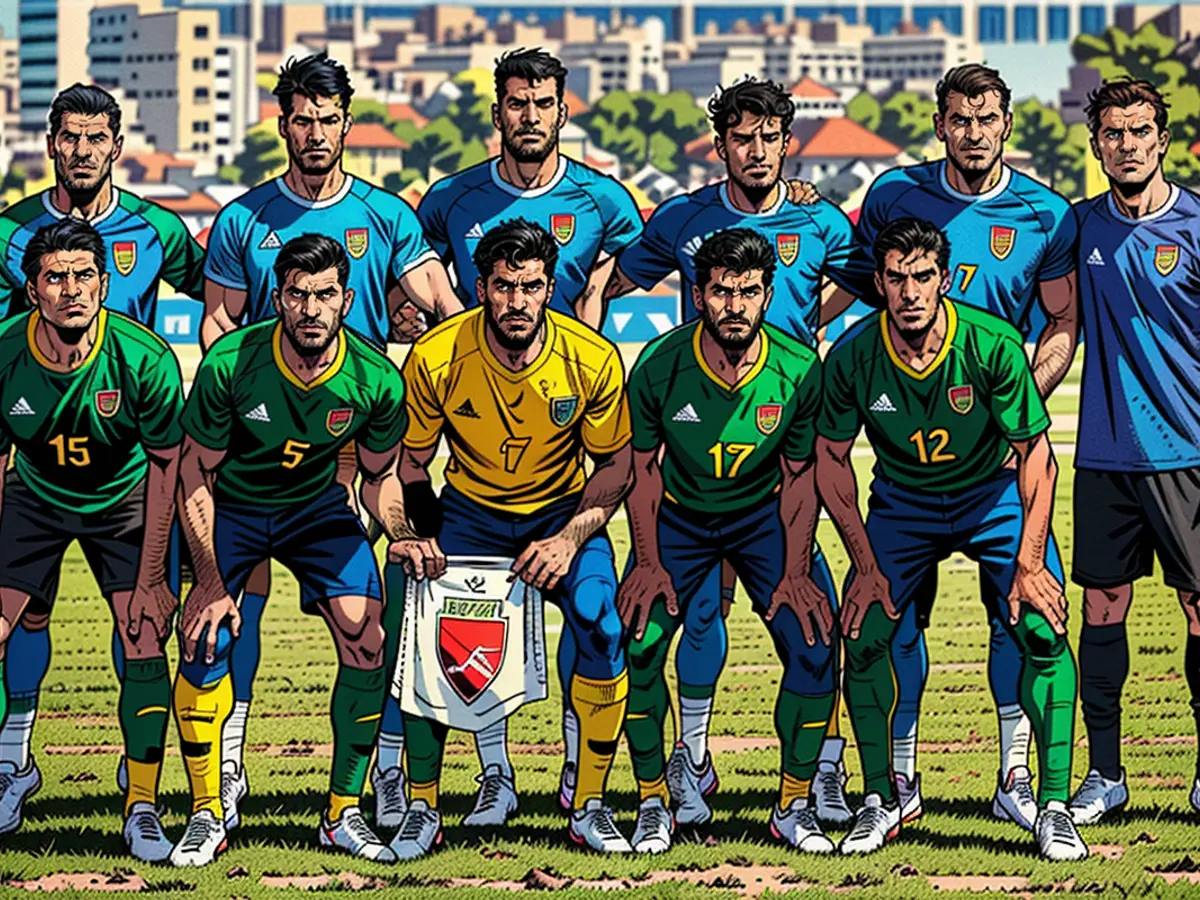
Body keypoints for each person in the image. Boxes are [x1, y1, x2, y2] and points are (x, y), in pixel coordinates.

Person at [197, 51, 461, 831]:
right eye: (301, 119)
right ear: (283, 124)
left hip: (364, 436)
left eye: (328, 119)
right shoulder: (245, 219)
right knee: (233, 599)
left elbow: (442, 308)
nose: (315, 133)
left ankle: (378, 771)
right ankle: (230, 760)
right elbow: (219, 324)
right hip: (263, 438)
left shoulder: (385, 216)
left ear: (348, 124)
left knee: (378, 612)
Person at [598, 76, 857, 827]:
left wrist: (807, 323)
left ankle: (816, 779)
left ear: (787, 143)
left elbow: (868, 282)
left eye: (769, 137)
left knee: (815, 622)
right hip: (688, 453)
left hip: (776, 445)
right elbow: (615, 280)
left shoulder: (822, 221)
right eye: (741, 137)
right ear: (721, 145)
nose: (755, 150)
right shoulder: (683, 219)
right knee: (682, 621)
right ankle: (679, 772)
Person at [398, 47, 641, 827]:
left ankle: (587, 795)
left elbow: (617, 465)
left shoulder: (593, 338)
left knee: (603, 620)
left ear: (562, 110)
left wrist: (571, 537)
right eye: (515, 102)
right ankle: (442, 799)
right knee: (431, 622)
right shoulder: (439, 336)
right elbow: (408, 464)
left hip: (560, 499)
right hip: (470, 506)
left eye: (543, 103)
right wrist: (419, 534)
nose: (529, 115)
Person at [846, 64, 1079, 829]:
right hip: (907, 480)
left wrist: (1015, 415)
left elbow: (1060, 325)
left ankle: (1021, 779)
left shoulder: (1045, 213)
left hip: (1001, 467)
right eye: (959, 119)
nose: (973, 132)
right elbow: (853, 286)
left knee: (1029, 614)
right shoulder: (891, 197)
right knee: (881, 623)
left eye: (986, 119)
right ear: (940, 123)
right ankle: (896, 784)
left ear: (1006, 123)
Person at [815, 216, 1086, 860]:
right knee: (866, 628)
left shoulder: (990, 343)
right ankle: (884, 796)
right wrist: (863, 563)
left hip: (992, 496)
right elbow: (828, 461)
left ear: (944, 280)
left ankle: (1051, 806)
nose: (910, 292)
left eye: (923, 277)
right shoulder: (855, 354)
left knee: (1043, 627)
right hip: (904, 505)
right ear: (878, 282)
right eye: (897, 278)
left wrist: (1029, 563)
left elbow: (1038, 457)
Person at [168, 234, 410, 866]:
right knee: (205, 635)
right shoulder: (232, 363)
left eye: (324, 295)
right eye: (297, 295)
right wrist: (209, 581)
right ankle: (206, 811)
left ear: (346, 300)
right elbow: (193, 471)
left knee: (367, 635)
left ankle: (342, 813)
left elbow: (380, 478)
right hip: (235, 509)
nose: (310, 309)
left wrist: (402, 531)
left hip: (317, 513)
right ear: (277, 298)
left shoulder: (376, 379)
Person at [0, 84, 204, 805]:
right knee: (26, 613)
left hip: (131, 458)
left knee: (142, 618)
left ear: (117, 146)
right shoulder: (10, 234)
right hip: (38, 455)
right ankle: (14, 758)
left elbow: (224, 296)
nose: (82, 152)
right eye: (69, 137)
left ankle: (138, 771)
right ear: (50, 144)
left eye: (96, 139)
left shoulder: (158, 230)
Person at [618, 228, 835, 854]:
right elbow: (642, 471)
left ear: (768, 294)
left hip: (762, 519)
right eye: (720, 292)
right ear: (698, 294)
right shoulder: (659, 364)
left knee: (815, 644)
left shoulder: (798, 370)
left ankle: (794, 804)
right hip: (680, 521)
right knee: (640, 646)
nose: (733, 305)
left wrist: (795, 570)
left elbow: (800, 479)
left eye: (747, 292)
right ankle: (656, 800)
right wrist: (649, 561)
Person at [0, 218, 183, 862]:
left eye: (83, 276)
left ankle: (141, 805)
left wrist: (153, 577)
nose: (70, 289)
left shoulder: (144, 358)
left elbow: (168, 466)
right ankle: (11, 765)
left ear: (104, 285)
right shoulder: (3, 354)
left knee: (142, 630)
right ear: (32, 292)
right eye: (55, 277)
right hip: (36, 497)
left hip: (124, 500)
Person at [1066, 79, 1200, 824]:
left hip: (1190, 456)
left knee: (1199, 608)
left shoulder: (1197, 226)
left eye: (1139, 131)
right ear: (1097, 146)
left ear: (1162, 140)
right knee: (1103, 607)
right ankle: (1106, 775)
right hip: (1106, 457)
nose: (1126, 144)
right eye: (1112, 133)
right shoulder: (1077, 226)